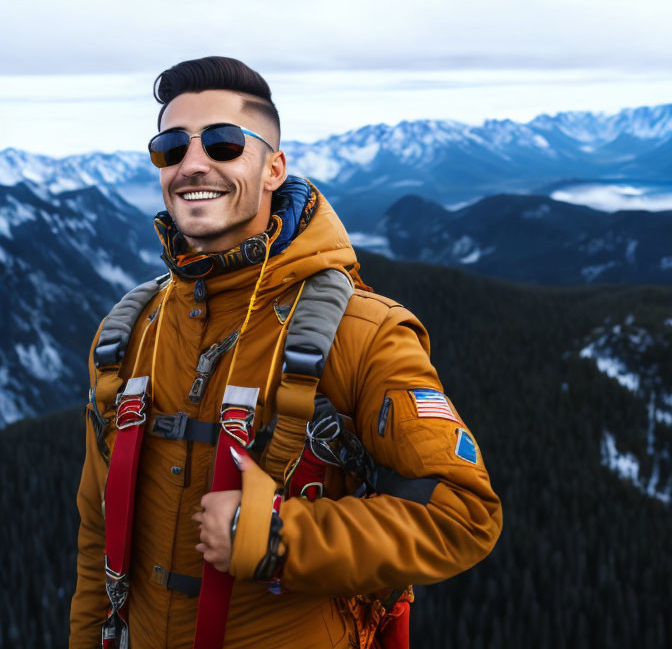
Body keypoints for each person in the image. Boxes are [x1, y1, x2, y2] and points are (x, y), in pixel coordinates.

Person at [69, 56, 502, 649]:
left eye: (222, 143)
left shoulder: (362, 332)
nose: (193, 162)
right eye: (171, 146)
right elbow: (98, 536)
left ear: (274, 168)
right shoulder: (129, 332)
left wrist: (280, 539)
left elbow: (464, 514)